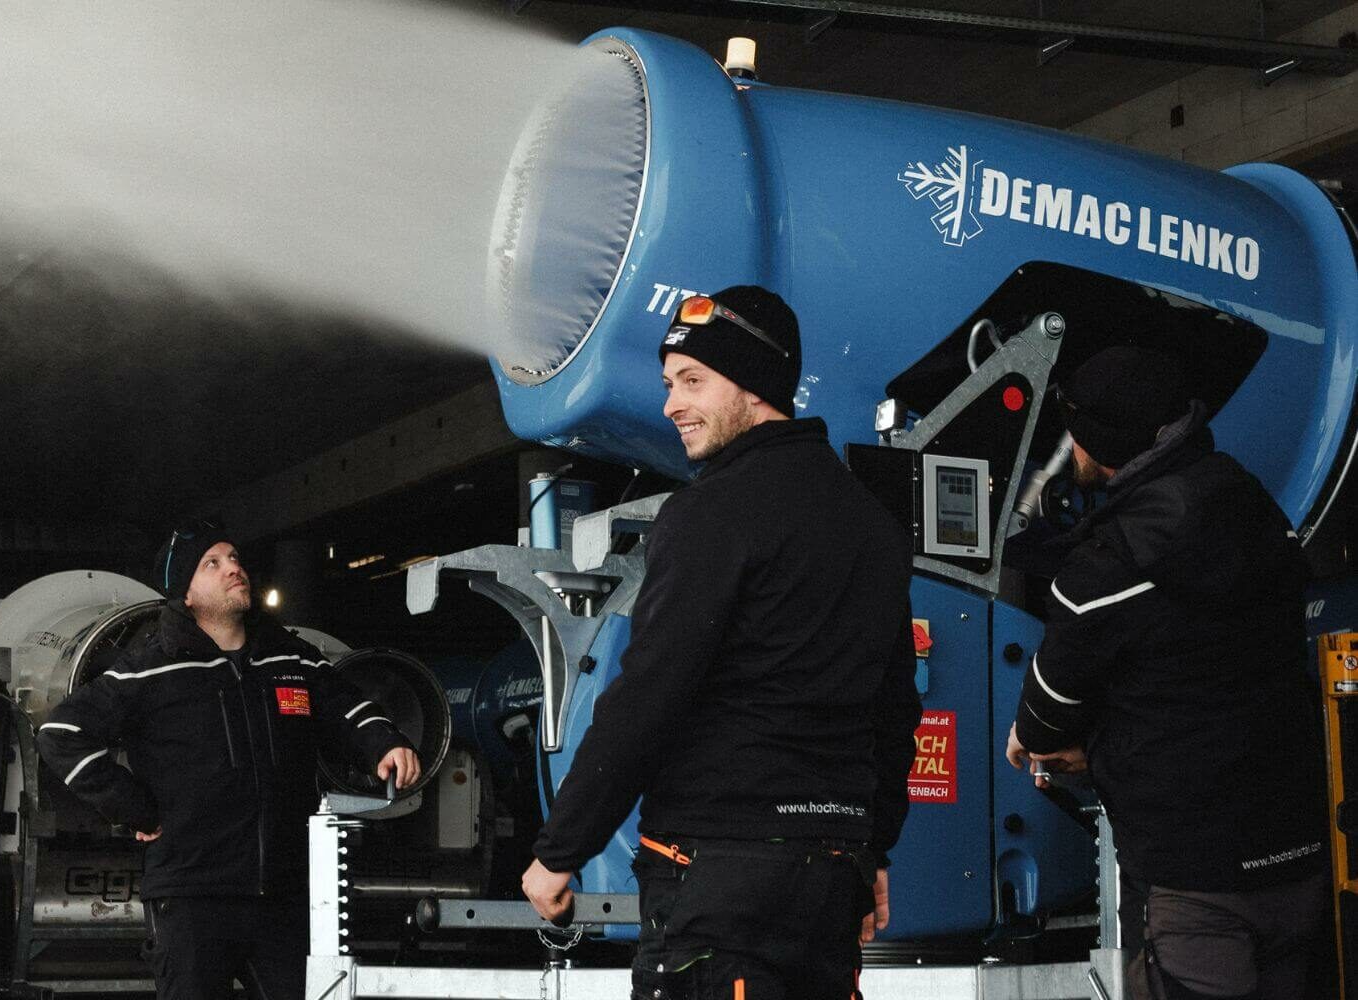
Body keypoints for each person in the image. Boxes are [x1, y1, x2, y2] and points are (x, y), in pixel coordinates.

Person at [521, 286, 922, 1000]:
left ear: (754, 383)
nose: (671, 404)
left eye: (692, 381)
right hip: (833, 875)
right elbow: (895, 712)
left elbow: (650, 694)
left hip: (717, 876)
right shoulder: (873, 524)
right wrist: (875, 850)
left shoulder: (710, 512)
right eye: (669, 383)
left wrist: (561, 850)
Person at [1005, 346, 1330, 1000]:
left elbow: (1044, 716)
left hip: (1197, 888)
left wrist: (1047, 742)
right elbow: (1206, 682)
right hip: (1300, 865)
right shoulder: (1252, 506)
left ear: (1100, 439)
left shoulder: (1107, 568)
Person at [37, 518, 420, 1000]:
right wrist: (134, 807)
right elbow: (61, 733)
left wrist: (384, 742)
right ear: (186, 593)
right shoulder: (150, 668)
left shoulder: (290, 658)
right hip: (191, 895)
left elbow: (347, 707)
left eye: (234, 558)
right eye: (212, 563)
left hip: (284, 893)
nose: (233, 568)